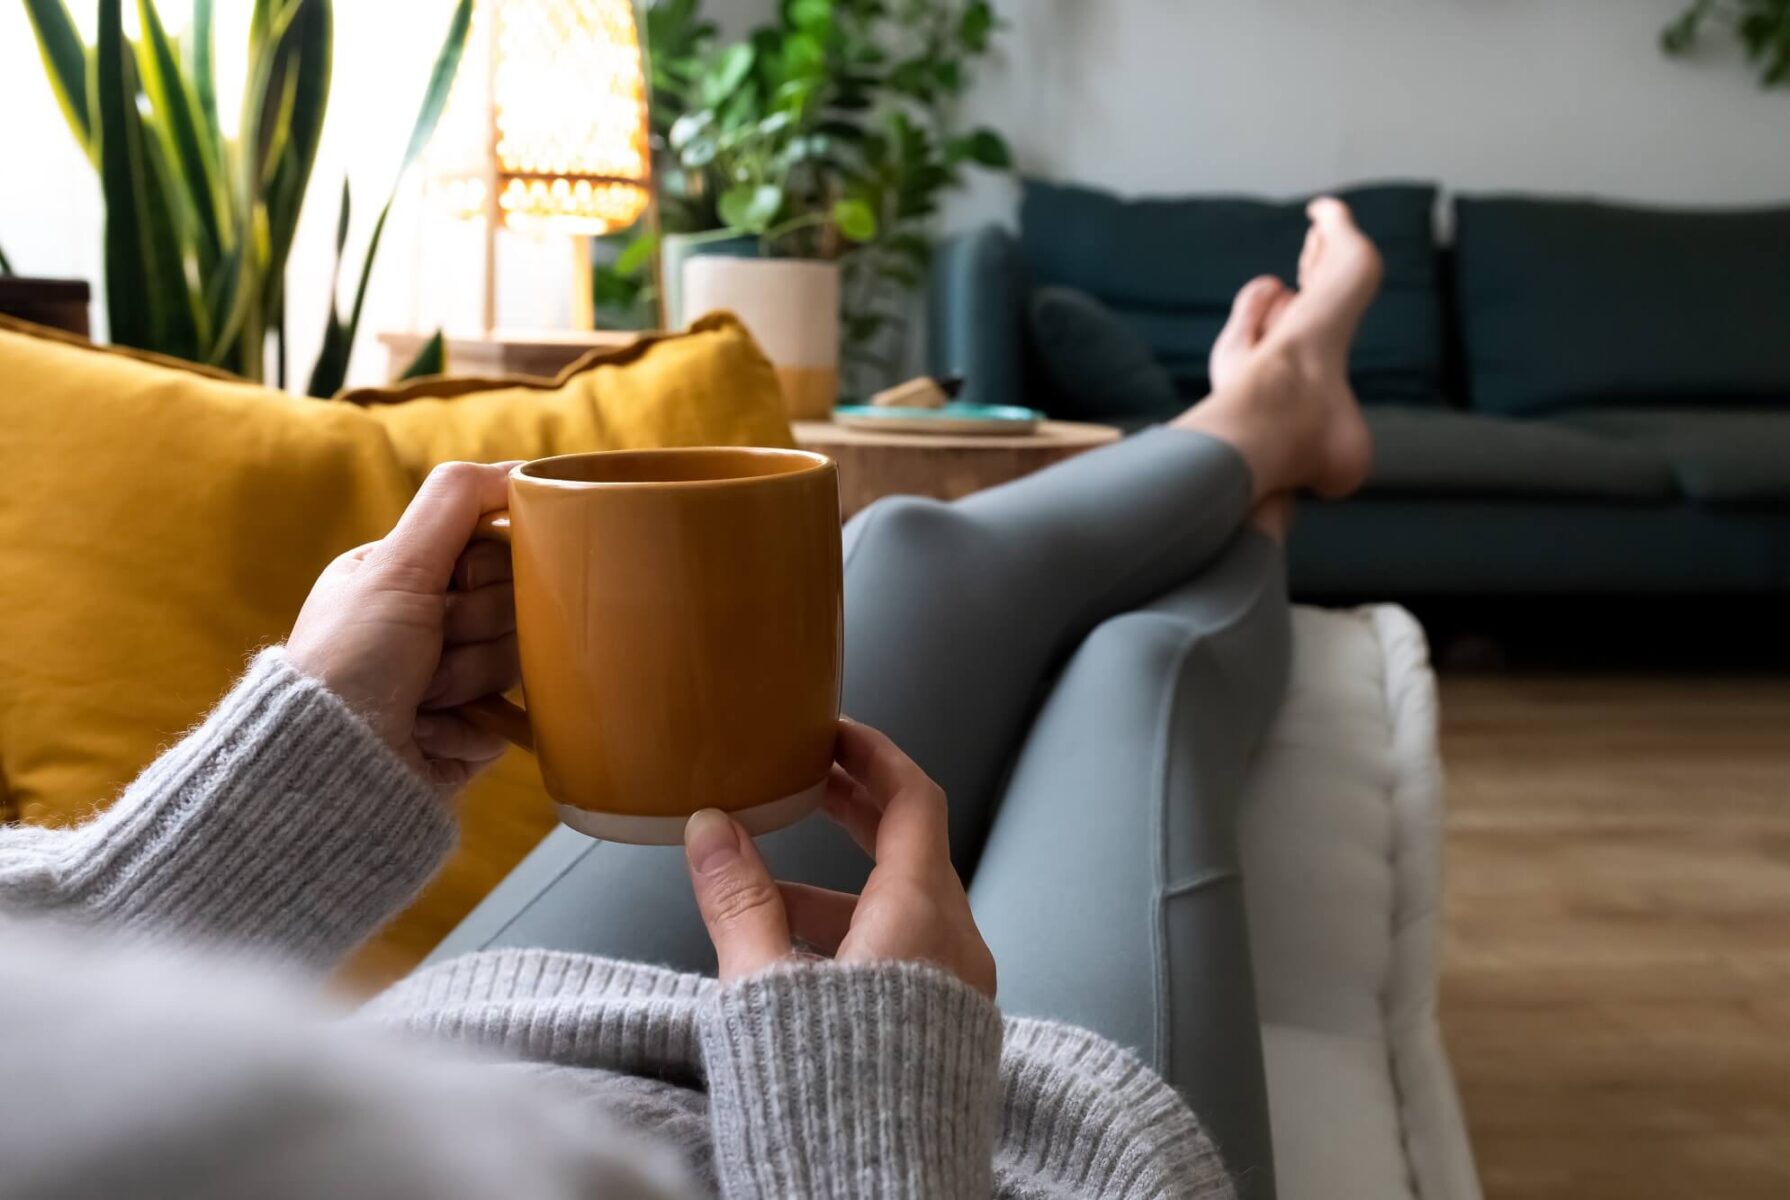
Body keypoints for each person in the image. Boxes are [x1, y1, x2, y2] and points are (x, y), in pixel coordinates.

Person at [0, 199, 1380, 1200]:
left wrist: (285, 785)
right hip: (882, 1150)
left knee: (903, 549)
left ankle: (1262, 426)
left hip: (473, 1052)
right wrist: (867, 1133)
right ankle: (1267, 465)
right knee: (1137, 663)